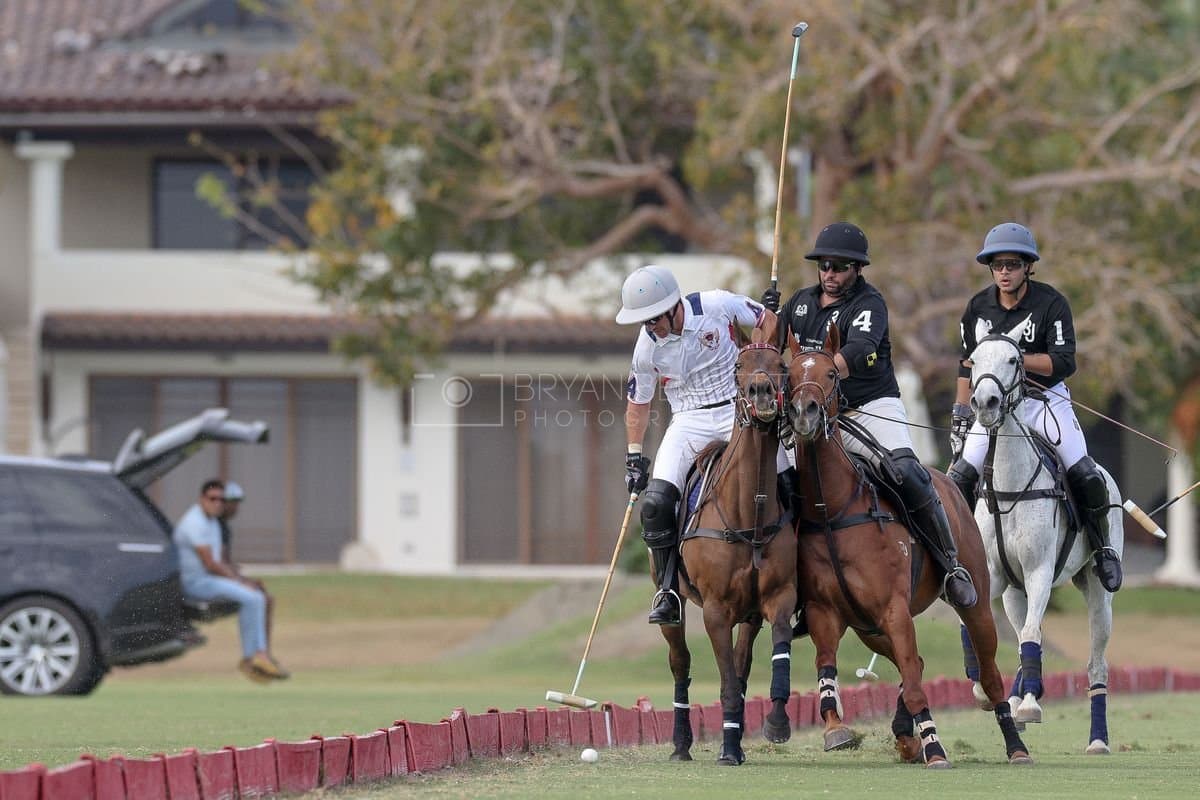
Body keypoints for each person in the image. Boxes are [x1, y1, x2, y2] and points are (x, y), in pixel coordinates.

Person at [762, 221, 977, 609]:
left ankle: (949, 564)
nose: (830, 273)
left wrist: (817, 384)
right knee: (781, 484)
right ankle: (787, 582)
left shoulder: (868, 304)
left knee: (907, 472)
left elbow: (858, 351)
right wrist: (768, 319)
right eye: (824, 265)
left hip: (869, 407)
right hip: (813, 413)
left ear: (857, 269)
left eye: (840, 266)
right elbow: (769, 353)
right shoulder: (800, 303)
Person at [947, 222, 1122, 592]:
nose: (1004, 272)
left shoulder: (1051, 303)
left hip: (1043, 400)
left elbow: (1065, 361)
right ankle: (951, 558)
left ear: (1028, 266)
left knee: (1084, 470)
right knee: (960, 475)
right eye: (997, 265)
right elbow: (967, 364)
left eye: (1012, 264)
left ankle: (1103, 547)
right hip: (993, 408)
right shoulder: (977, 307)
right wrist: (961, 413)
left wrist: (1014, 359)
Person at [617, 264, 791, 625]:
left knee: (790, 481)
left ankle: (803, 572)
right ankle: (667, 590)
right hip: (688, 420)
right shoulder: (646, 347)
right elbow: (638, 403)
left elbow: (769, 321)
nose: (651, 327)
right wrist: (634, 456)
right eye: (644, 322)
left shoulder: (717, 305)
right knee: (656, 503)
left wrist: (768, 318)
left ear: (672, 305)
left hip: (738, 411)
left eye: (654, 319)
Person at [173, 479, 290, 682]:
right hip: (194, 583)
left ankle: (258, 657)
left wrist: (243, 580)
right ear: (202, 499)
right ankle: (255, 657)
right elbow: (211, 563)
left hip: (208, 580)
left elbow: (222, 561)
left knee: (257, 597)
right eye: (213, 499)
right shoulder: (195, 522)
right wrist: (241, 582)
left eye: (222, 499)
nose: (218, 503)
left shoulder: (213, 522)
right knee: (253, 598)